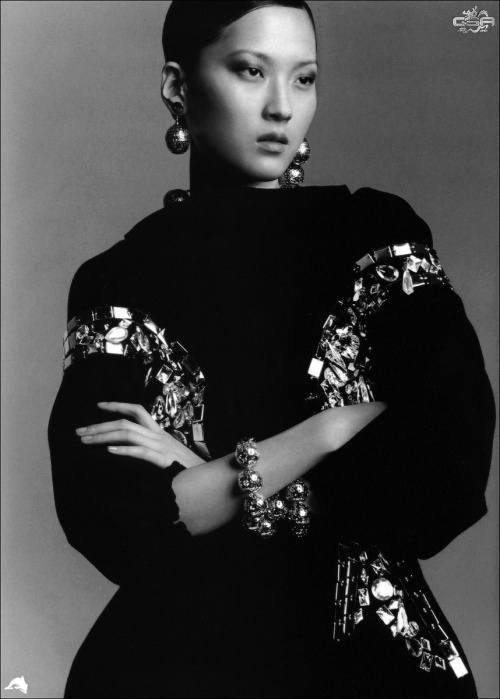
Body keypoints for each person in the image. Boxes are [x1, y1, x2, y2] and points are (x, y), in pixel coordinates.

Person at [48, 2, 496, 697]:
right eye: (251, 71)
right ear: (177, 86)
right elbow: (115, 523)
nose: (282, 106)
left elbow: (446, 472)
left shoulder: (374, 234)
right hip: (173, 669)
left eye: (304, 78)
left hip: (369, 669)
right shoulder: (119, 278)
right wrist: (334, 428)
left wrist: (206, 479)